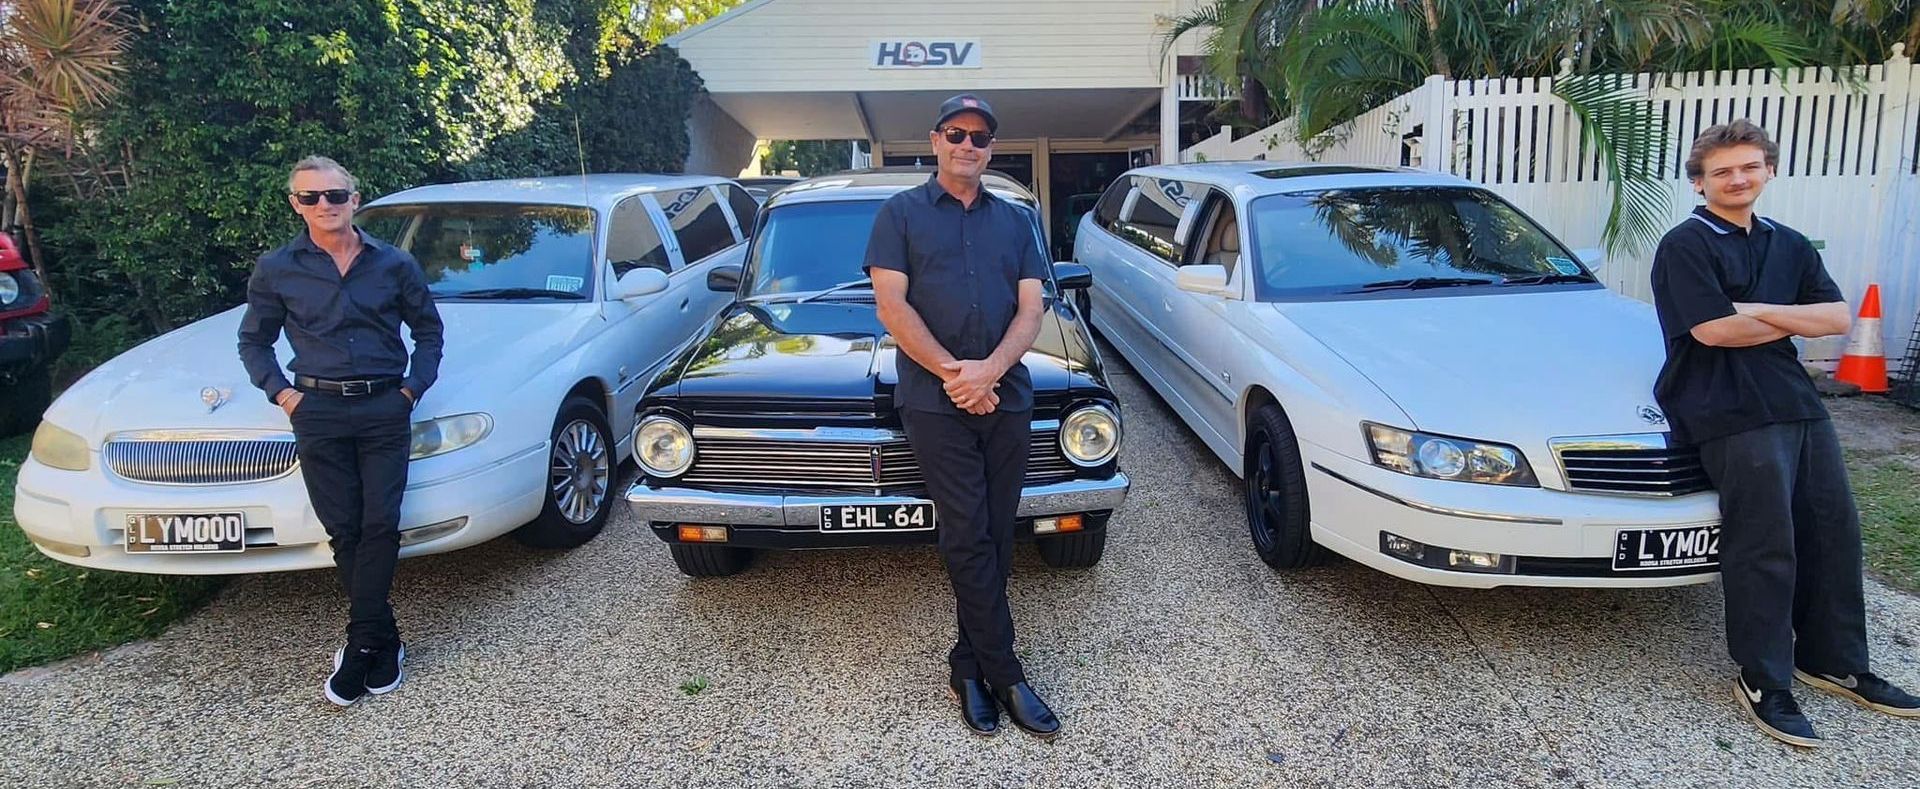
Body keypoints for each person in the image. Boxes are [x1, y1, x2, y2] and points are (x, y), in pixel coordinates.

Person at [1651, 120, 1919, 747]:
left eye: (1749, 166)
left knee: (1832, 530)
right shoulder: (1686, 245)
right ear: (1699, 183)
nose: (1737, 178)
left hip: (1794, 399)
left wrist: (1754, 310)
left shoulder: (1790, 244)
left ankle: (1833, 660)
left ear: (1769, 170)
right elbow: (1714, 332)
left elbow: (1837, 318)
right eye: (1722, 171)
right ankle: (1765, 678)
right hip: (1725, 404)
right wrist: (1790, 317)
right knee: (1764, 541)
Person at [865, 94, 1060, 738]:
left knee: (998, 531)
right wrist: (958, 375)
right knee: (966, 531)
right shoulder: (899, 214)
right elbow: (891, 308)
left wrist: (989, 372)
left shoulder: (1017, 222)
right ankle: (1006, 673)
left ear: (991, 148)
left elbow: (1031, 310)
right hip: (935, 402)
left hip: (1006, 396)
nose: (967, 145)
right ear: (935, 140)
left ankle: (967, 666)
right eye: (956, 133)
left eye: (979, 136)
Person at [238, 156, 444, 707]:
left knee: (381, 524)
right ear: (296, 205)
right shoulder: (277, 268)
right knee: (344, 529)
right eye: (310, 197)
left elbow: (429, 332)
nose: (323, 205)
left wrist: (411, 390)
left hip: (384, 407)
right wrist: (283, 394)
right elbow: (253, 341)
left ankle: (361, 645)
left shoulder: (395, 263)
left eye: (334, 195)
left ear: (354, 199)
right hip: (318, 411)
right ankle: (382, 639)